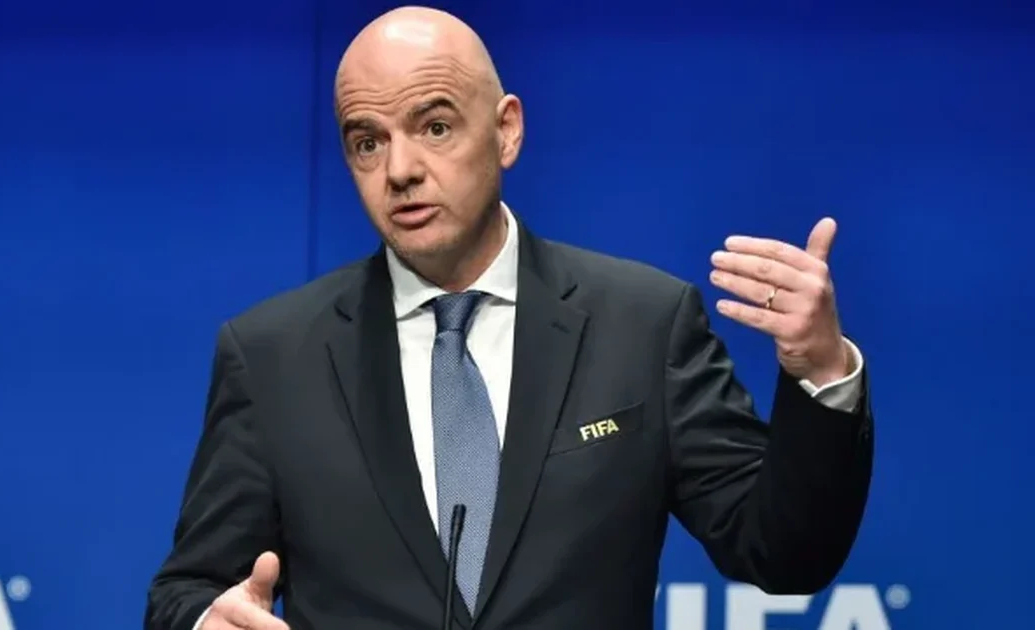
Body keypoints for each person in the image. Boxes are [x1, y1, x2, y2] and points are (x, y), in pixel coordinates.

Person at [144, 6, 873, 630]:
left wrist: (820, 370)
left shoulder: (643, 325)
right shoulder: (274, 357)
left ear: (507, 131)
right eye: (368, 142)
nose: (399, 170)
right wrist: (206, 620)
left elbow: (784, 554)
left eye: (434, 127)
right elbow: (189, 588)